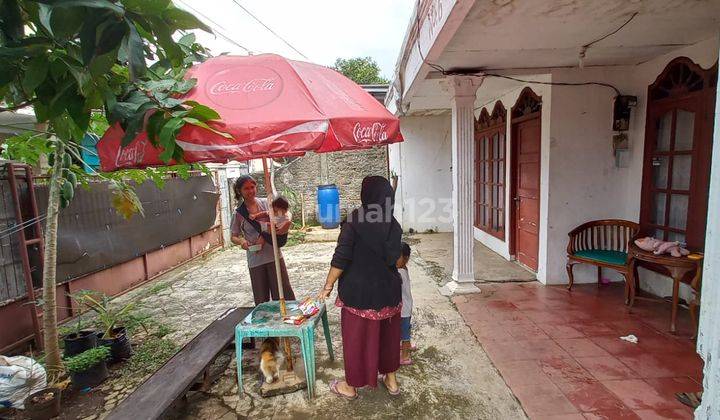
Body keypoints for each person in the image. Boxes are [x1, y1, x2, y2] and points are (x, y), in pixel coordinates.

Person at [318, 176, 403, 399]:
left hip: (359, 295)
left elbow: (341, 258)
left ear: (366, 195)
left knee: (356, 340)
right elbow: (397, 260)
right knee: (389, 337)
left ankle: (351, 387)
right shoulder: (393, 224)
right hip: (389, 294)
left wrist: (327, 286)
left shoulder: (354, 221)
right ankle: (391, 380)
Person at [231, 176, 295, 305]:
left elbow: (285, 214)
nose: (250, 191)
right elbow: (234, 236)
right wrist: (242, 242)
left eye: (252, 187)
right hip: (255, 260)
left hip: (274, 256)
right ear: (239, 191)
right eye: (246, 188)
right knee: (261, 301)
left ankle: (288, 322)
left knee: (284, 297)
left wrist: (279, 226)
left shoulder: (267, 203)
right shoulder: (238, 214)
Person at [397, 242, 414, 365]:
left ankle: (405, 356)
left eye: (398, 257)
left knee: (404, 334)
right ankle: (406, 347)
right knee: (405, 330)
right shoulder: (403, 268)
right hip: (406, 307)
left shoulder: (399, 273)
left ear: (406, 258)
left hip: (403, 310)